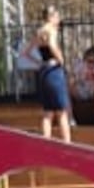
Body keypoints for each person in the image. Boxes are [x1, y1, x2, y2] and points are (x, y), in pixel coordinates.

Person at [34, 10, 73, 144]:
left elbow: (26, 52)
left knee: (48, 113)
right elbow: (51, 44)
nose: (59, 19)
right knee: (62, 111)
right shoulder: (51, 30)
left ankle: (46, 144)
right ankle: (67, 144)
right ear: (50, 17)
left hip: (43, 71)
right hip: (54, 71)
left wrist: (39, 63)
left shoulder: (39, 32)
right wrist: (61, 59)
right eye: (57, 16)